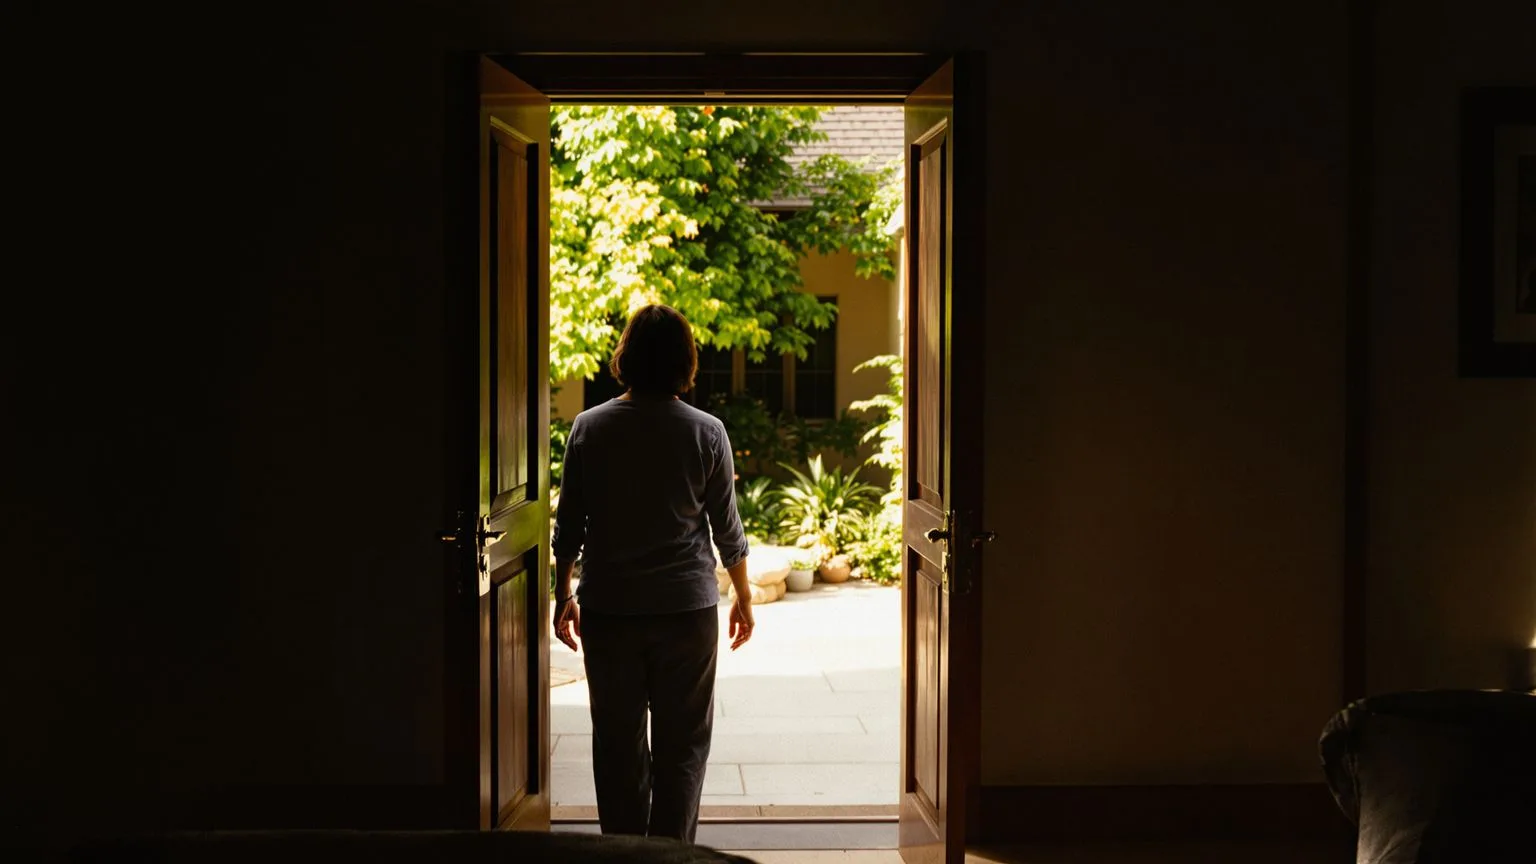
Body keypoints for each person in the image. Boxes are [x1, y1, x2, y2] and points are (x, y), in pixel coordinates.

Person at [551, 304, 755, 843]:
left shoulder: (590, 428)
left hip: (610, 609)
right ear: (685, 361)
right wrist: (744, 599)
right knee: (682, 747)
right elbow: (726, 529)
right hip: (686, 612)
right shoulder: (706, 432)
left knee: (616, 746)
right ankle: (672, 858)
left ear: (626, 356)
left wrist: (561, 593)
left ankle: (622, 857)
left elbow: (569, 523)